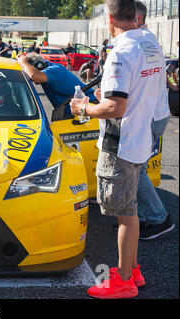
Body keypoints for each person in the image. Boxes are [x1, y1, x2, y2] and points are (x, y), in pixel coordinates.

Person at [70, 0, 166, 299]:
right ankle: (131, 269)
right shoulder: (150, 41)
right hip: (140, 137)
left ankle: (124, 281)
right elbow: (131, 91)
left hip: (120, 143)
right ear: (136, 17)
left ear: (109, 18)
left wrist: (84, 107)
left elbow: (115, 107)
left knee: (126, 214)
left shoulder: (120, 52)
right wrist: (106, 96)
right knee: (130, 211)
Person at [134, 0, 175, 240]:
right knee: (135, 168)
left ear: (136, 19)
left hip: (150, 116)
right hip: (155, 114)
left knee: (135, 169)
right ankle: (138, 217)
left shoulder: (141, 41)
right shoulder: (147, 40)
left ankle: (159, 218)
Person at [17, 52, 97, 115]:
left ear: (39, 65)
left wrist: (23, 62)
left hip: (90, 106)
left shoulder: (55, 70)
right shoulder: (49, 70)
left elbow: (34, 76)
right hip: (77, 112)